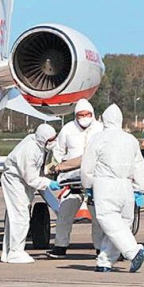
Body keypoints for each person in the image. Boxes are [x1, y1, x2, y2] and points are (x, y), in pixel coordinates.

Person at [81, 104, 144, 272]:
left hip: (105, 184)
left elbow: (87, 167)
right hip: (126, 186)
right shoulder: (131, 139)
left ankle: (133, 251)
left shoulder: (98, 138)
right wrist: (139, 188)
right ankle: (105, 261)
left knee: (109, 221)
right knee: (123, 224)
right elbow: (139, 165)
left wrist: (87, 186)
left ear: (103, 119)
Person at [45, 99, 104, 259]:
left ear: (92, 114)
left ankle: (100, 249)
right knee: (64, 214)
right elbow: (58, 151)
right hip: (71, 178)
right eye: (80, 115)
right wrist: (57, 167)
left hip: (94, 178)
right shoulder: (67, 129)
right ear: (75, 115)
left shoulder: (101, 129)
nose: (84, 117)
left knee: (98, 217)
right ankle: (60, 247)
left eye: (87, 114)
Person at [0, 123, 60, 264]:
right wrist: (48, 183)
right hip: (15, 180)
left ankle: (8, 251)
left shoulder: (38, 144)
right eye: (50, 140)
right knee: (20, 216)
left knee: (15, 216)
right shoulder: (29, 150)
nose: (53, 142)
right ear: (43, 139)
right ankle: (15, 252)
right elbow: (31, 178)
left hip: (21, 181)